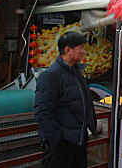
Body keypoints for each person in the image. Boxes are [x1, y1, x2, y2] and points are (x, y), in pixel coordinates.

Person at [34, 31, 97, 168]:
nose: (84, 51)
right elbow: (43, 111)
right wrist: (56, 139)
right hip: (62, 143)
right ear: (67, 50)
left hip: (79, 139)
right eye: (81, 48)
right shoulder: (51, 75)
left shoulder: (77, 73)